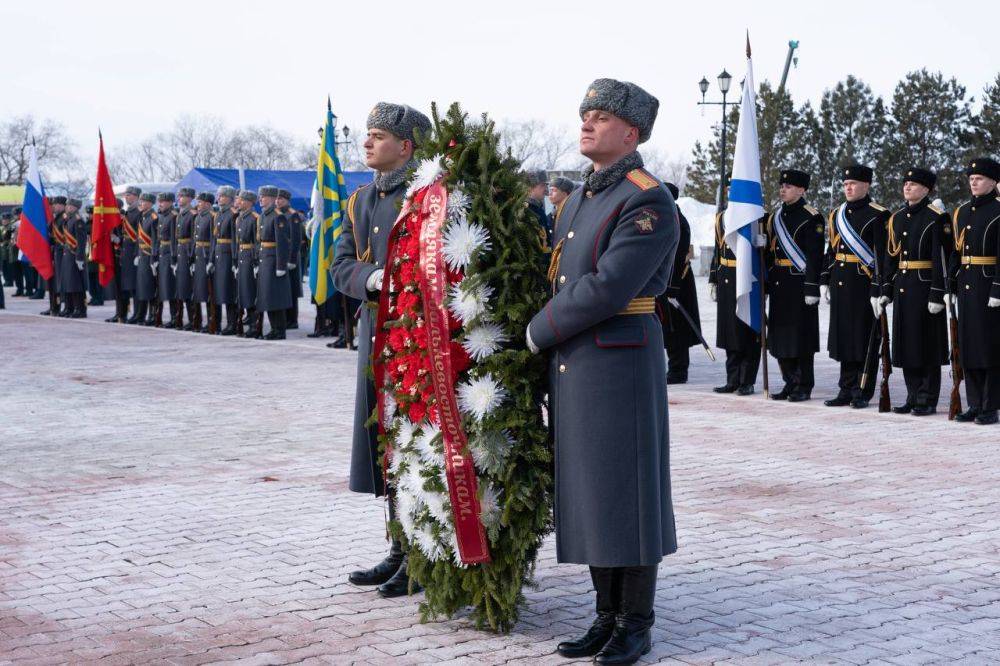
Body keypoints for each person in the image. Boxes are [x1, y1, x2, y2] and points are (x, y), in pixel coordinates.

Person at [526, 78, 677, 665]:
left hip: (619, 358)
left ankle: (636, 623)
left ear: (631, 133)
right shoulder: (585, 196)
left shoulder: (646, 197)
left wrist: (538, 329)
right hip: (579, 360)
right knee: (591, 490)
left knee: (629, 494)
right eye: (583, 114)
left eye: (600, 117)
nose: (585, 124)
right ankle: (605, 616)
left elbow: (609, 286)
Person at [332, 101, 431, 599]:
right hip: (376, 332)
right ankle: (398, 549)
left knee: (416, 441)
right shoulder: (360, 200)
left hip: (416, 336)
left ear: (406, 146)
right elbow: (340, 263)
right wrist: (370, 278)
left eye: (377, 135)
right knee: (384, 443)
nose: (367, 142)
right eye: (367, 134)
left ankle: (419, 553)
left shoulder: (427, 196)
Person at [875, 168, 951, 415]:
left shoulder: (936, 217)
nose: (907, 187)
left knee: (926, 344)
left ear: (926, 189)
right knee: (907, 343)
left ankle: (927, 398)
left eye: (914, 184)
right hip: (904, 287)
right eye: (905, 183)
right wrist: (886, 289)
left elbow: (942, 258)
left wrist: (937, 293)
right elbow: (890, 257)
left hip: (926, 285)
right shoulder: (896, 218)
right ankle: (911, 394)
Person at [820, 165, 890, 409]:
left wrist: (877, 288)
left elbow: (882, 258)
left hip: (863, 285)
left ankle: (862, 390)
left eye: (853, 184)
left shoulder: (879, 214)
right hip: (840, 282)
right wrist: (824, 280)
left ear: (866, 186)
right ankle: (845, 389)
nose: (848, 188)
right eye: (845, 184)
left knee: (864, 339)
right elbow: (831, 251)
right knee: (844, 339)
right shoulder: (836, 214)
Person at [763, 169, 825, 401]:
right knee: (780, 336)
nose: (782, 189)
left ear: (801, 190)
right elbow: (771, 253)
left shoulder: (812, 217)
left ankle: (803, 384)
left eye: (788, 186)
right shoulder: (775, 217)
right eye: (781, 186)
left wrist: (812, 286)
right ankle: (789, 381)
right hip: (780, 283)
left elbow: (815, 255)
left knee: (801, 338)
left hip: (799, 284)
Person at [952, 157, 1000, 425]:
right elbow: (955, 253)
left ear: (993, 182)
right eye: (971, 178)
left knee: (989, 347)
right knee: (968, 345)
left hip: (987, 284)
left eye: (979, 178)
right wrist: (949, 284)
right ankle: (973, 403)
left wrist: (998, 289)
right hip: (967, 284)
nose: (973, 181)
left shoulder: (998, 211)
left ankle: (990, 405)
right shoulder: (961, 212)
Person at [708, 187, 760, 395]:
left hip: (747, 276)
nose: (732, 193)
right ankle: (732, 379)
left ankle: (747, 380)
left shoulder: (755, 216)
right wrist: (713, 278)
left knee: (746, 328)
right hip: (726, 277)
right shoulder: (721, 218)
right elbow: (717, 249)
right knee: (730, 331)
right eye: (729, 190)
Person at [656, 181, 702, 384]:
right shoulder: (667, 216)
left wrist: (672, 287)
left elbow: (678, 255)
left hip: (677, 281)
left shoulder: (676, 220)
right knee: (669, 326)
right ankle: (674, 367)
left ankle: (678, 370)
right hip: (666, 281)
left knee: (678, 327)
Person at [255, 185, 292, 340]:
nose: (260, 200)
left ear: (271, 198)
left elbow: (282, 243)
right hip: (265, 259)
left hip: (274, 260)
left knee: (275, 296)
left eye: (263, 197)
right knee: (267, 297)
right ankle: (273, 328)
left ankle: (279, 330)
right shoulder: (263, 216)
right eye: (260, 197)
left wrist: (281, 265)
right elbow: (259, 241)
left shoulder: (277, 216)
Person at [212, 186, 240, 335]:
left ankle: (232, 323)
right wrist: (211, 258)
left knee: (229, 292)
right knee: (219, 291)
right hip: (218, 255)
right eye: (219, 195)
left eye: (222, 196)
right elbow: (214, 240)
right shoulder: (218, 215)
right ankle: (217, 322)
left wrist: (235, 260)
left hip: (229, 255)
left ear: (230, 198)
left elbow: (236, 240)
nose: (219, 198)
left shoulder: (233, 215)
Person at [276, 188, 303, 330]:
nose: (278, 201)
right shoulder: (279, 215)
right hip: (281, 257)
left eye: (281, 199)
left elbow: (296, 239)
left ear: (287, 200)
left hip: (291, 257)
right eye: (277, 199)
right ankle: (285, 317)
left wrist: (292, 259)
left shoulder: (293, 216)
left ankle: (293, 319)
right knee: (283, 289)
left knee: (292, 289)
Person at [235, 190, 260, 338]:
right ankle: (248, 321)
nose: (240, 202)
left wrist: (256, 261)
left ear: (250, 202)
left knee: (251, 292)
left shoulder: (255, 218)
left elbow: (257, 242)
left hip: (250, 257)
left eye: (243, 200)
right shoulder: (239, 218)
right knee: (243, 291)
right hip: (241, 256)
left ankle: (254, 325)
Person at [153, 192, 179, 328]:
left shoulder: (173, 217)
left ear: (170, 202)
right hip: (162, 254)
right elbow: (157, 239)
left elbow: (174, 240)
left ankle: (175, 317)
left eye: (163, 201)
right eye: (159, 201)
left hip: (169, 253)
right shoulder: (161, 216)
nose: (160, 204)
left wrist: (174, 259)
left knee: (171, 287)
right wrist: (155, 256)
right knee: (163, 287)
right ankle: (167, 316)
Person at [191, 191, 216, 333]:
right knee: (200, 290)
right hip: (199, 255)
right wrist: (192, 258)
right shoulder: (198, 217)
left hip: (207, 255)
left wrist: (211, 260)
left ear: (207, 203)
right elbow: (195, 240)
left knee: (209, 292)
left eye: (200, 202)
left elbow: (213, 240)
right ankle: (202, 321)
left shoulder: (212, 217)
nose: (198, 204)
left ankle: (212, 321)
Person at [117, 187, 143, 323]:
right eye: (126, 195)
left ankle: (138, 314)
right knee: (128, 285)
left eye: (128, 195)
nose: (126, 197)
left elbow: (140, 236)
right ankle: (126, 313)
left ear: (136, 196)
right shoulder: (128, 212)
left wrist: (137, 253)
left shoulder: (138, 212)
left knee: (135, 286)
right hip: (126, 252)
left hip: (134, 252)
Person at [60, 198, 89, 318]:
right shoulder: (69, 219)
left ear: (76, 207)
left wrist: (80, 258)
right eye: (67, 206)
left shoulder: (78, 220)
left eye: (70, 206)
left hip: (74, 256)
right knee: (69, 283)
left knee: (76, 284)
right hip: (68, 255)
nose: (68, 208)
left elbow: (81, 242)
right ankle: (70, 307)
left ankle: (80, 309)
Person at [174, 187, 198, 330]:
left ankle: (193, 319)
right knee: (181, 288)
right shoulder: (179, 215)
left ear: (189, 198)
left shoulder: (192, 215)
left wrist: (191, 258)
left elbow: (193, 239)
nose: (179, 199)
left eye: (182, 196)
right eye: (179, 196)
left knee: (189, 288)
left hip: (187, 253)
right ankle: (182, 318)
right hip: (180, 252)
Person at [134, 193, 159, 325]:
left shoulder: (154, 218)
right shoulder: (142, 217)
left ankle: (153, 315)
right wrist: (138, 254)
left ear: (150, 203)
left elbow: (155, 241)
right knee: (142, 287)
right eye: (141, 201)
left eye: (143, 201)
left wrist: (153, 259)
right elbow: (139, 239)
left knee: (150, 287)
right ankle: (141, 315)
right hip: (142, 255)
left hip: (149, 256)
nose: (141, 204)